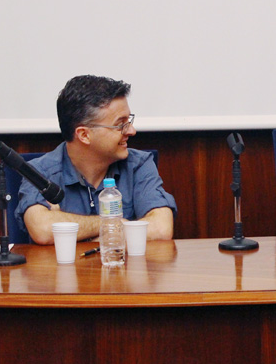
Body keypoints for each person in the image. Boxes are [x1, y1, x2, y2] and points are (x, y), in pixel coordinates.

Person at [16, 75, 177, 244]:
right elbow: (42, 230)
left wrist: (68, 226)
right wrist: (111, 224)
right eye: (121, 124)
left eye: (129, 121)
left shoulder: (139, 165)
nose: (131, 130)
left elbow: (161, 228)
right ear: (84, 135)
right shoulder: (39, 172)